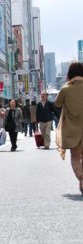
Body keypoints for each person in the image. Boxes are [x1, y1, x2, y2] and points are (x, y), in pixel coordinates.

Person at [55, 62, 83, 194]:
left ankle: (82, 178)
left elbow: (57, 103)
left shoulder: (65, 89)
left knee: (76, 156)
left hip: (73, 130)